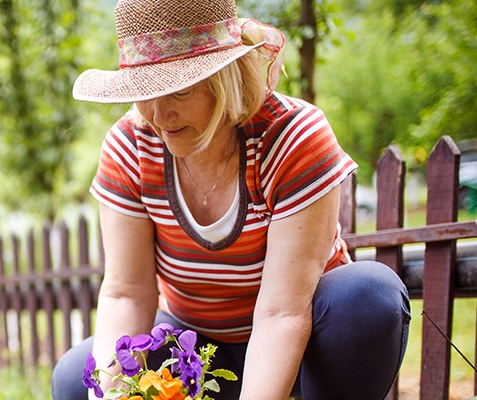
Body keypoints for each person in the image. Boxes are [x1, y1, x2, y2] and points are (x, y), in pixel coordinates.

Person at [52, 0, 411, 398]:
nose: (158, 114)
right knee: (76, 378)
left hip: (307, 343)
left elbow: (283, 313)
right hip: (199, 350)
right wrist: (116, 391)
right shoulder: (130, 148)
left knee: (368, 296)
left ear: (227, 76)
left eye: (179, 91)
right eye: (144, 91)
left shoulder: (293, 138)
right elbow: (127, 292)